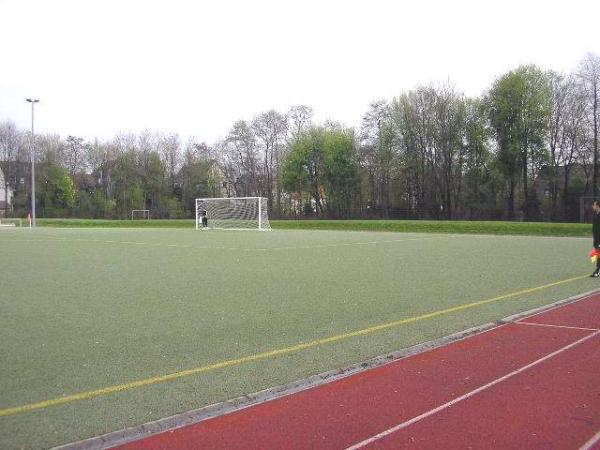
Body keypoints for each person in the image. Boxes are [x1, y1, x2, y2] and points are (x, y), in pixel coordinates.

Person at [592, 200, 600, 277]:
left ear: (598, 206)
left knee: (599, 254)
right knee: (597, 254)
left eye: (594, 205)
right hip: (596, 238)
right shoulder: (595, 214)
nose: (593, 206)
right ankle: (597, 269)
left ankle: (597, 270)